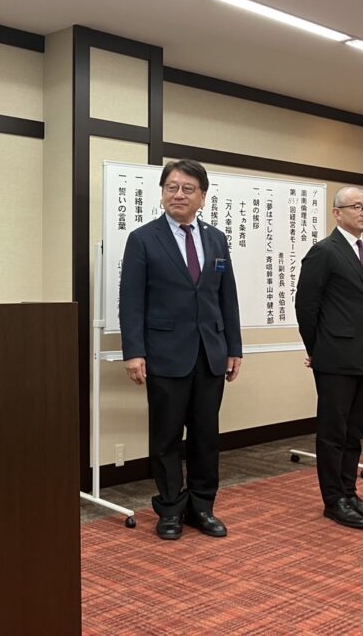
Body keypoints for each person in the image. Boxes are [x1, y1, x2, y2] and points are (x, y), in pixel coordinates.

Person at [119, 160, 243, 541]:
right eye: (171, 187)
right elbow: (131, 301)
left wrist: (234, 347)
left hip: (210, 353)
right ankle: (171, 508)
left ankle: (202, 507)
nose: (178, 194)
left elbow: (227, 297)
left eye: (188, 188)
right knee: (166, 437)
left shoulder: (216, 239)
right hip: (164, 354)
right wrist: (134, 351)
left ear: (202, 197)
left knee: (206, 436)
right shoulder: (143, 239)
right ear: (162, 194)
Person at [294, 186, 363, 530]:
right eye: (356, 207)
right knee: (333, 432)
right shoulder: (324, 252)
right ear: (337, 213)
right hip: (335, 358)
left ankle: (350, 494)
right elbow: (306, 306)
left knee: (356, 431)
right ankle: (333, 500)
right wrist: (317, 350)